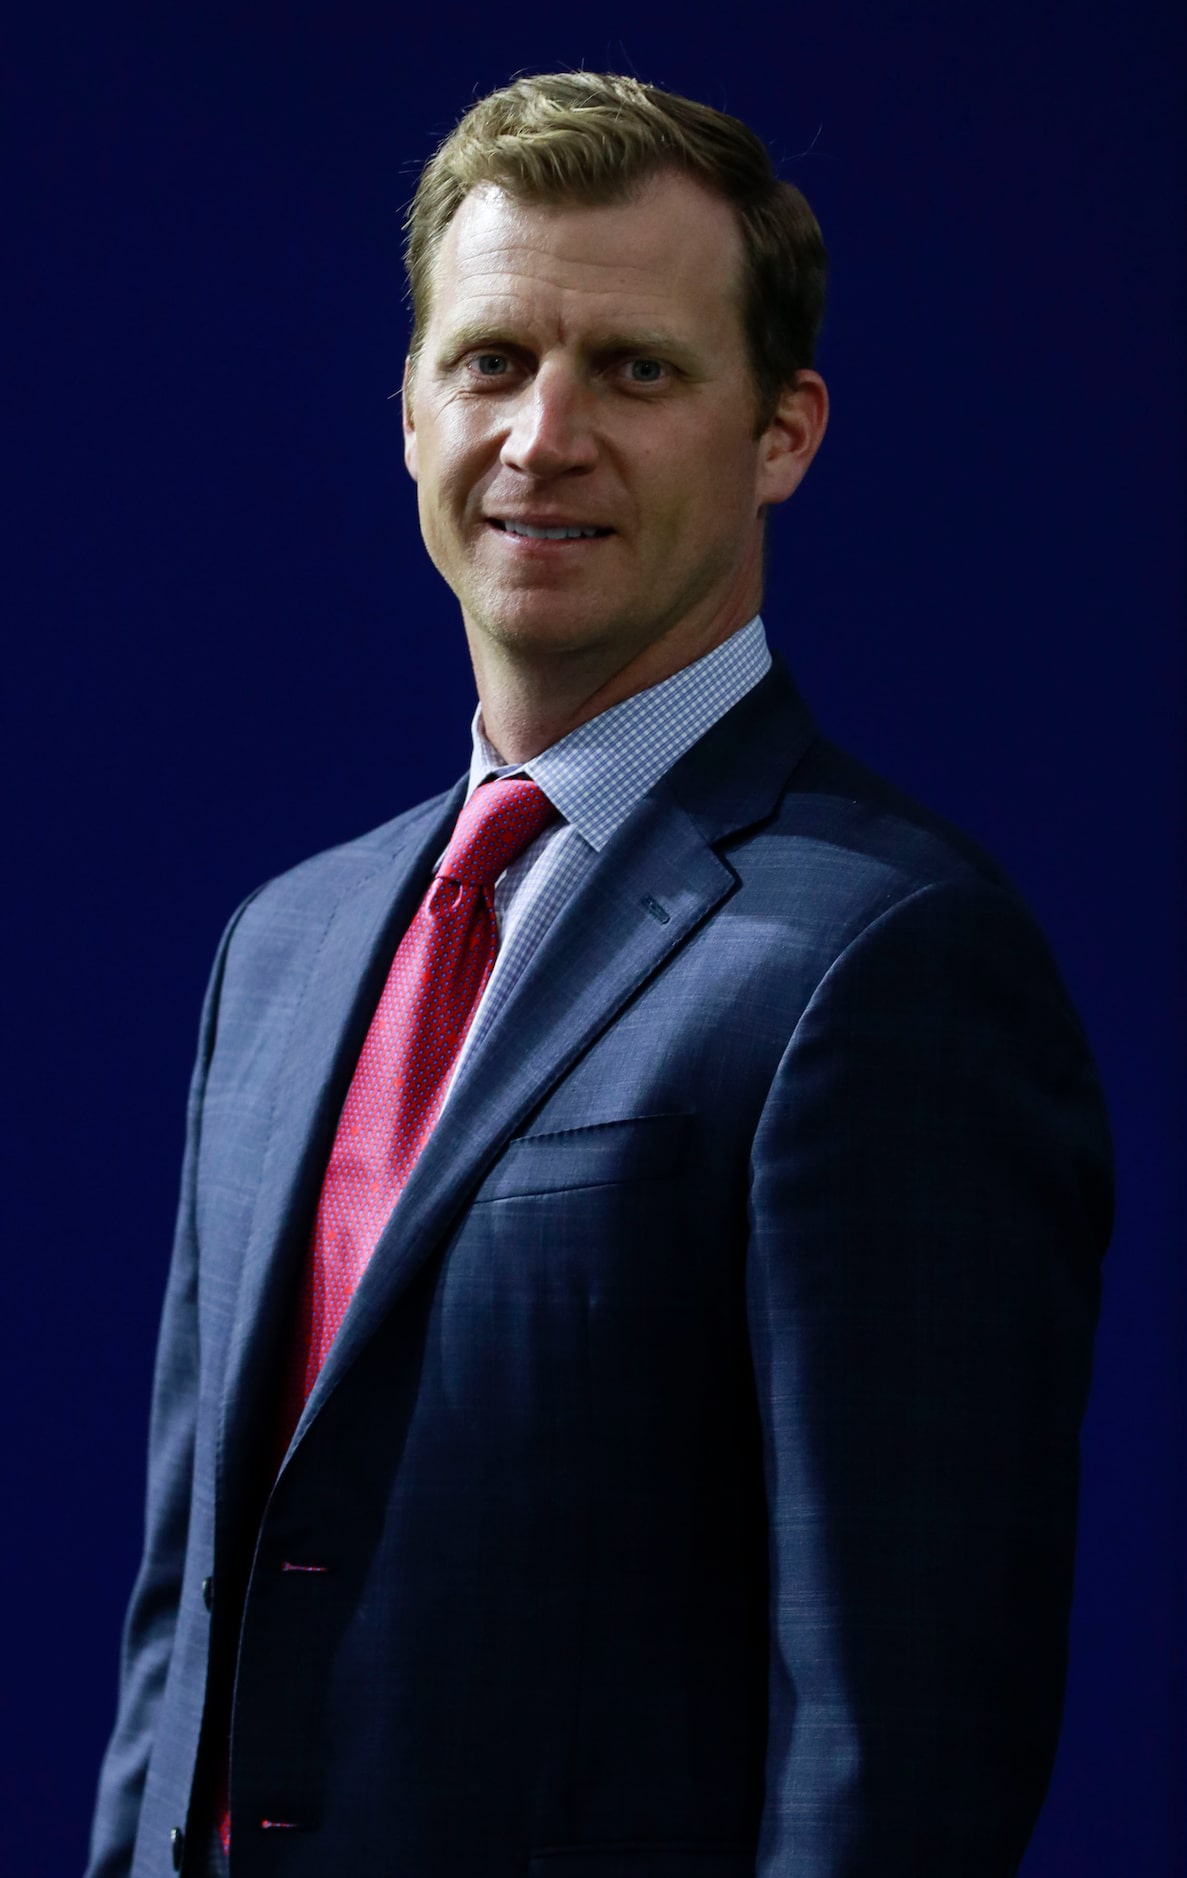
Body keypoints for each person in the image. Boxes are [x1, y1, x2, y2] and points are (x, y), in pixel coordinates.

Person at [86, 71, 1113, 1878]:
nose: (542, 436)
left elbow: (893, 1757)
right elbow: (188, 1633)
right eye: (489, 361)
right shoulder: (283, 946)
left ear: (782, 430)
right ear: (407, 410)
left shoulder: (887, 960)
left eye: (634, 370)